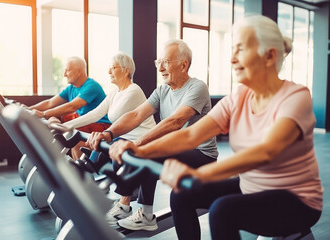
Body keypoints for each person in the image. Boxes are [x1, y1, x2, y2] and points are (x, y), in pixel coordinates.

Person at [109, 15, 323, 240]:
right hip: (254, 185)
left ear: (269, 55)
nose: (231, 59)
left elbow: (266, 152)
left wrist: (197, 173)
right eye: (232, 50)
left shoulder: (296, 96)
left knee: (223, 211)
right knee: (182, 194)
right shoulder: (240, 95)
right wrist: (140, 150)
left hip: (296, 198)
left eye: (240, 49)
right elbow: (191, 135)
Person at [87, 39, 218, 231]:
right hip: (175, 147)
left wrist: (137, 144)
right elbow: (136, 115)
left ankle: (128, 204)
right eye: (158, 62)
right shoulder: (163, 89)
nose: (160, 68)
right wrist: (109, 134)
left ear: (184, 65)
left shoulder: (197, 87)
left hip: (201, 154)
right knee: (130, 144)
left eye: (165, 62)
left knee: (150, 150)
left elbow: (175, 121)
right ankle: (140, 211)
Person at [52, 52, 156, 159]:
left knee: (97, 152)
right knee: (93, 155)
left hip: (139, 139)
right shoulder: (115, 92)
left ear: (126, 71)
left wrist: (66, 126)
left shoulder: (133, 91)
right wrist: (66, 126)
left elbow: (115, 116)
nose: (109, 71)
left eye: (113, 68)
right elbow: (95, 114)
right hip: (122, 137)